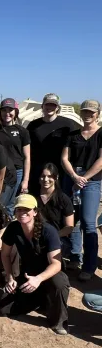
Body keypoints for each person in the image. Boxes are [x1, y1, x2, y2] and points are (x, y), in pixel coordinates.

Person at [0, 194, 70, 335]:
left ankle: (59, 321)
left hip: (49, 274)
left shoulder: (48, 231)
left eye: (27, 209)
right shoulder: (13, 228)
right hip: (28, 273)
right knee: (3, 308)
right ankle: (40, 301)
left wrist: (38, 279)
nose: (22, 213)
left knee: (59, 283)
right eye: (19, 209)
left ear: (35, 212)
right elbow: (5, 254)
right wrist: (10, 277)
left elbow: (56, 264)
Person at [61, 100, 102, 281]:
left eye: (91, 112)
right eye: (85, 111)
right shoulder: (73, 135)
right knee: (73, 220)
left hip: (92, 181)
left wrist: (85, 178)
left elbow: (101, 160)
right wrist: (74, 177)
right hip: (72, 180)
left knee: (88, 223)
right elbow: (64, 158)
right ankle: (75, 257)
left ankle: (89, 265)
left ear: (98, 114)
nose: (88, 115)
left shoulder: (101, 133)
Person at [27, 93, 79, 194]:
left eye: (53, 105)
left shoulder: (67, 124)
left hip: (61, 169)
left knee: (59, 197)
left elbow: (74, 146)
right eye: (47, 104)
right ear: (42, 106)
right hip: (38, 169)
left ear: (57, 108)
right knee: (38, 196)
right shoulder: (33, 125)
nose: (50, 107)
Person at [0, 98, 31, 215]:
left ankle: (6, 231)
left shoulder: (23, 131)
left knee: (11, 205)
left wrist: (25, 180)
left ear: (16, 112)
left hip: (17, 172)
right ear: (0, 112)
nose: (7, 113)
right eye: (4, 110)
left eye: (10, 110)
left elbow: (27, 157)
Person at [36, 163, 74, 239]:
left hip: (57, 238)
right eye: (43, 176)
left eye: (50, 176)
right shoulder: (33, 197)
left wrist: (53, 236)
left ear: (56, 177)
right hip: (36, 238)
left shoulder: (63, 199)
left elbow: (69, 227)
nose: (46, 179)